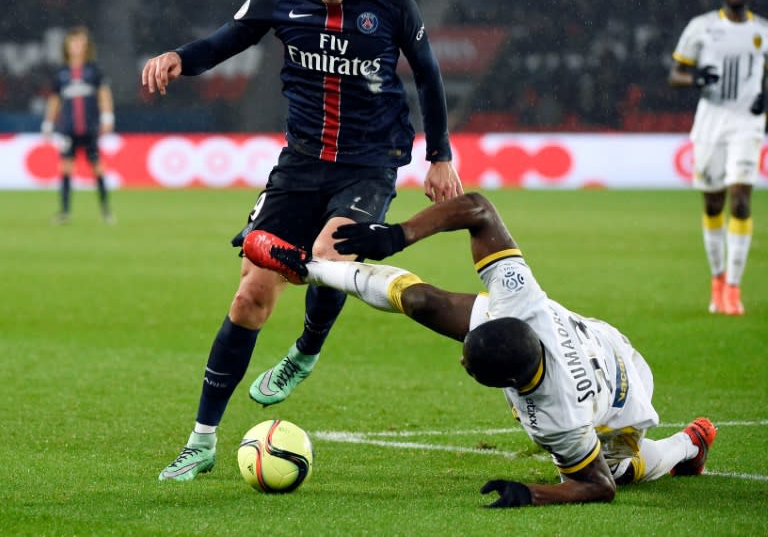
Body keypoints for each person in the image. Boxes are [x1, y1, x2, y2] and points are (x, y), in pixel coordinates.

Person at [141, 0, 463, 482]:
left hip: (370, 162)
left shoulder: (391, 4)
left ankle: (307, 349)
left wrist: (440, 154)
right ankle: (202, 439)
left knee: (327, 250)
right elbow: (224, 40)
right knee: (250, 297)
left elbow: (428, 74)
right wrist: (178, 58)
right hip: (300, 164)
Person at [242, 192, 717, 508]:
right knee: (424, 302)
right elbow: (478, 208)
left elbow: (599, 488)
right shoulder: (518, 301)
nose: (460, 359)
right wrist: (397, 234)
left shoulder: (560, 420)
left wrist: (532, 494)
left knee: (619, 468)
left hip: (624, 393)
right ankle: (308, 269)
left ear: (504, 386)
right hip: (583, 336)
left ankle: (689, 443)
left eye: (467, 364)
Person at [668, 0, 767, 316]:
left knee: (740, 199)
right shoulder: (702, 28)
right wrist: (695, 79)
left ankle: (734, 290)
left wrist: (764, 97)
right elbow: (675, 74)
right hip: (711, 123)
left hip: (748, 125)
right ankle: (717, 278)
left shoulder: (762, 31)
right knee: (713, 204)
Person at [41, 25, 115, 224]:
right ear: (67, 46)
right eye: (73, 42)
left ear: (87, 46)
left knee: (97, 167)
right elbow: (55, 99)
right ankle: (64, 212)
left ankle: (106, 210)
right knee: (65, 168)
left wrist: (108, 116)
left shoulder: (93, 71)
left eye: (81, 42)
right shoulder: (61, 73)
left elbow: (103, 93)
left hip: (90, 128)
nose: (77, 46)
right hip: (68, 128)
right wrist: (48, 122)